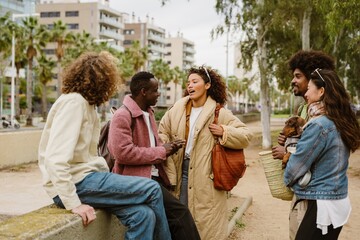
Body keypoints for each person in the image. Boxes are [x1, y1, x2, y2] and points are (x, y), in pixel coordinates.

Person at [38, 52, 171, 240]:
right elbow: (55, 159)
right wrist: (72, 202)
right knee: (152, 188)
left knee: (143, 215)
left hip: (90, 178)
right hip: (77, 183)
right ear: (101, 81)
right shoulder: (74, 103)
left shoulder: (87, 105)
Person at [158, 66, 253, 240]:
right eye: (188, 83)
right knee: (181, 222)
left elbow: (246, 135)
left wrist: (224, 131)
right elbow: (162, 130)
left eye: (195, 82)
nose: (190, 86)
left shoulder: (219, 113)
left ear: (207, 85)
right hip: (179, 172)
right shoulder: (176, 109)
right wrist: (167, 144)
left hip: (206, 176)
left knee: (206, 224)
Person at [108, 71, 201, 240]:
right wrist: (161, 150)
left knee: (173, 218)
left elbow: (153, 146)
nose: (158, 93)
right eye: (155, 90)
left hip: (154, 178)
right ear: (143, 92)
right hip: (136, 181)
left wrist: (169, 147)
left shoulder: (148, 113)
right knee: (180, 214)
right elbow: (121, 154)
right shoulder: (123, 115)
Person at [284, 68, 360, 239]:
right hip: (338, 199)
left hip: (322, 204)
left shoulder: (319, 125)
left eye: (310, 87)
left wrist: (287, 181)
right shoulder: (340, 120)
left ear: (321, 91)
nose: (306, 92)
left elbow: (297, 165)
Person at [271, 50, 336, 239]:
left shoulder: (325, 114)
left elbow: (317, 152)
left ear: (313, 79)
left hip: (316, 195)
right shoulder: (304, 109)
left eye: (298, 76)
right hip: (303, 191)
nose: (293, 81)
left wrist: (288, 152)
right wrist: (289, 141)